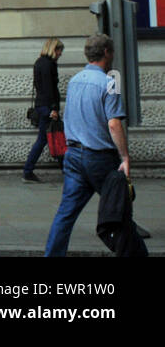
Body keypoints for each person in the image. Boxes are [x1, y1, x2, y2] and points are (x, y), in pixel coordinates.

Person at [44, 33, 131, 257]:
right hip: (100, 157)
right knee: (119, 209)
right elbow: (113, 124)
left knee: (65, 214)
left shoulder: (75, 81)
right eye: (111, 52)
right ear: (106, 53)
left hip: (73, 155)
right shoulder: (110, 83)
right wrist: (125, 157)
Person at [24, 37, 64, 182]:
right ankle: (28, 171)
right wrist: (53, 109)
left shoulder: (39, 63)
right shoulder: (48, 65)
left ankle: (29, 171)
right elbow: (49, 88)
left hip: (42, 106)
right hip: (47, 107)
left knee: (50, 138)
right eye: (59, 51)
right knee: (54, 138)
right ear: (54, 49)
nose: (60, 54)